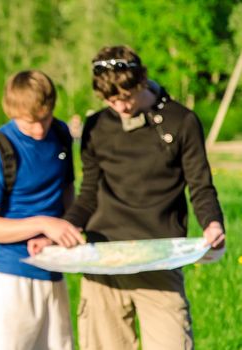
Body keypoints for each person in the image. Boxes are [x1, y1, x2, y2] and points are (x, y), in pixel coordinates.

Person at [63, 45, 225, 350]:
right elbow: (88, 193)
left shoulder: (181, 121)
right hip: (104, 260)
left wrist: (213, 224)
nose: (121, 107)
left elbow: (201, 186)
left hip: (160, 259)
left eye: (126, 97)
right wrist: (67, 227)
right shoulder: (96, 127)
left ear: (141, 81)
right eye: (111, 100)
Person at [0, 70, 85, 350]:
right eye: (30, 122)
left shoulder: (60, 134)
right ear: (12, 112)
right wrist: (44, 224)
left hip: (55, 270)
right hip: (10, 278)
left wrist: (62, 229)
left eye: (45, 117)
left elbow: (67, 191)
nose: (39, 129)